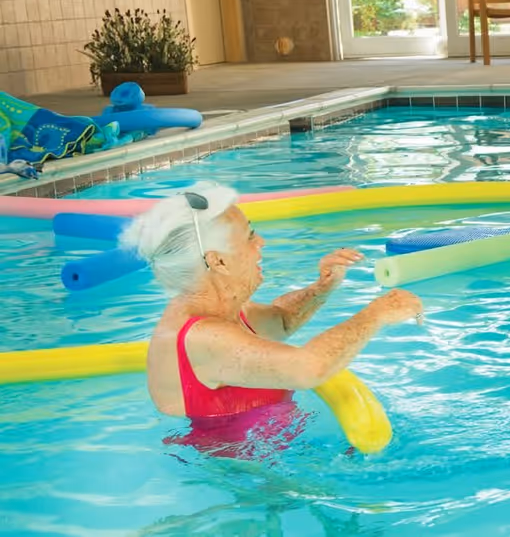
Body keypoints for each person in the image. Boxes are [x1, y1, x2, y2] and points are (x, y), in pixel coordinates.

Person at [119, 182, 423, 450]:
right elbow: (309, 369)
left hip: (265, 454)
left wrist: (321, 289)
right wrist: (377, 314)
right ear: (218, 261)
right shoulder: (204, 336)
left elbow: (280, 320)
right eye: (250, 236)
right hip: (239, 482)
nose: (261, 242)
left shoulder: (224, 310)